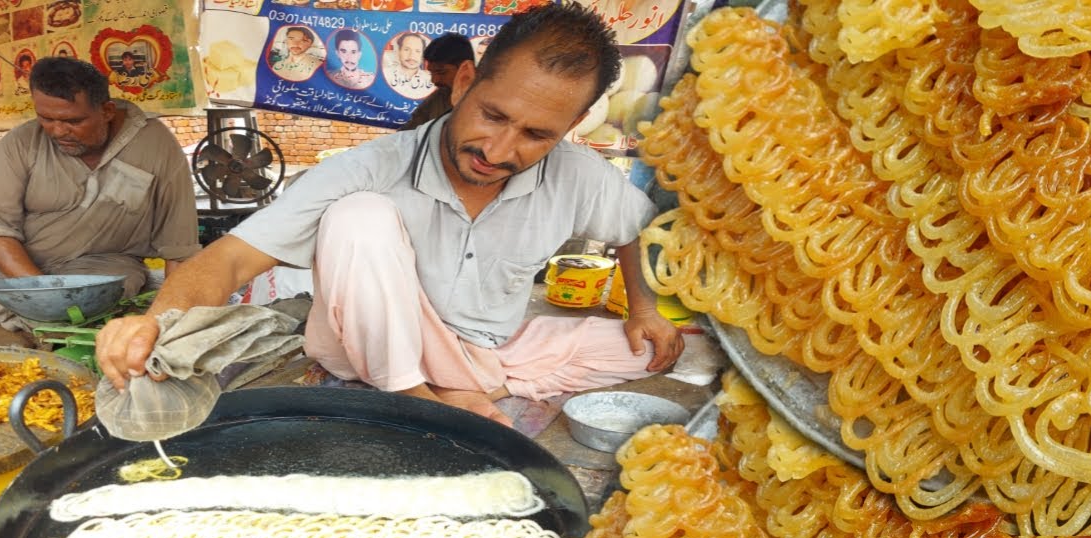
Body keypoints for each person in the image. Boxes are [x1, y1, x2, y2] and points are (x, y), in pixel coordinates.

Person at [96, 3, 684, 427]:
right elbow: (227, 259)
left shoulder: (578, 174)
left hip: (491, 348)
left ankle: (462, 386)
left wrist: (645, 308)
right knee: (360, 217)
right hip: (367, 348)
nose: (500, 151)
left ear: (570, 127)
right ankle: (413, 396)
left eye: (536, 135)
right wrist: (158, 323)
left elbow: (634, 227)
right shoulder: (371, 166)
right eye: (494, 116)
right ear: (464, 82)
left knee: (680, 351)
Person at [0, 57, 200, 330]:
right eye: (46, 118)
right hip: (5, 264)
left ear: (108, 111)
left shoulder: (155, 145)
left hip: (98, 269)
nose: (57, 131)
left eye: (73, 121)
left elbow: (178, 245)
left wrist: (171, 320)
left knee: (95, 298)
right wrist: (42, 290)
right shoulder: (21, 143)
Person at [402, 33, 474, 131]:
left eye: (441, 72)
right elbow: (408, 133)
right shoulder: (439, 98)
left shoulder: (489, 97)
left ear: (465, 68)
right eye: (432, 73)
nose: (434, 80)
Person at [382, 32, 431, 99]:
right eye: (407, 50)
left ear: (423, 55)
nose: (412, 56)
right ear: (399, 51)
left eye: (417, 51)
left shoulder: (430, 80)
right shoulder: (386, 74)